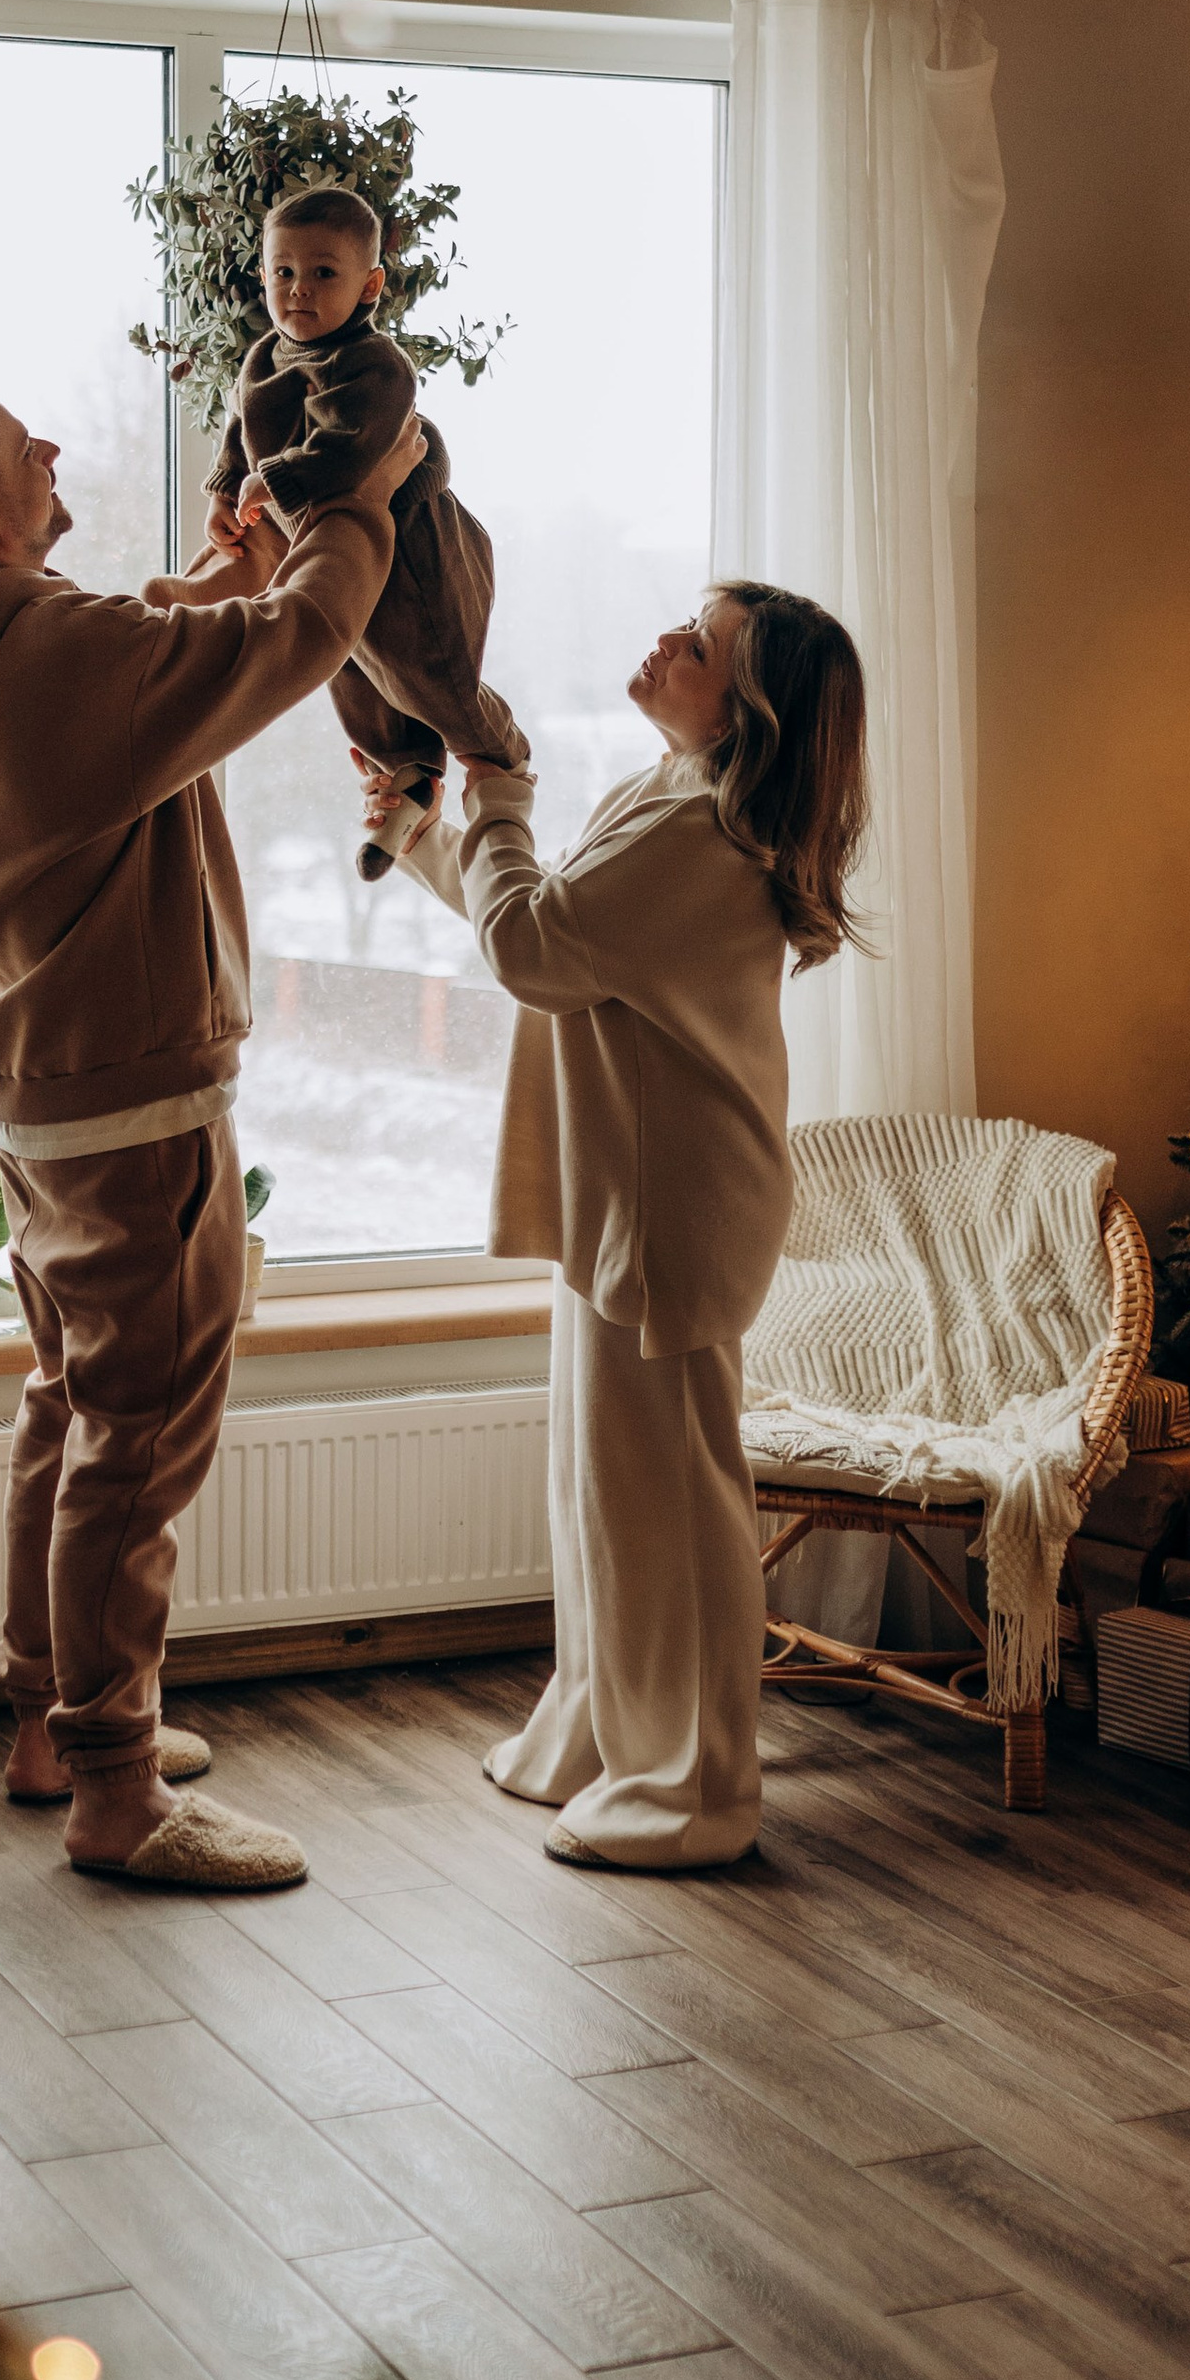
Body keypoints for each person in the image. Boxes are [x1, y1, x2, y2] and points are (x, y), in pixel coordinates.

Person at [0, 368, 421, 1890]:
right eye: (27, 449)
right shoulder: (46, 653)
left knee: (68, 1407)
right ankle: (115, 1790)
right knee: (135, 1448)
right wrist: (361, 498)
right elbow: (294, 642)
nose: (56, 449)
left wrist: (219, 573)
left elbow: (152, 645)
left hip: (53, 1095)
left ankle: (52, 1724)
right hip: (139, 1111)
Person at [382, 583, 870, 1869]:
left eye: (698, 644)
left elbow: (536, 945)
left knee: (669, 1499)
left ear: (749, 707)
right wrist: (442, 830)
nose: (665, 640)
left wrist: (492, 799)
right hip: (640, 1182)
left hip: (672, 1197)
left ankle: (696, 1787)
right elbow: (553, 928)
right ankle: (605, 1735)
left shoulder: (706, 828)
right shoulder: (671, 799)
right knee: (611, 1489)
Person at [149, 187, 526, 880]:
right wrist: (225, 494)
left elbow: (353, 443)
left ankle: (500, 753)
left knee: (427, 672)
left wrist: (284, 479)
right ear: (261, 275)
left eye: (325, 273)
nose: (299, 290)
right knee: (351, 668)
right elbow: (240, 435)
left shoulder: (374, 363)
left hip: (413, 546)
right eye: (283, 271)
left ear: (369, 285)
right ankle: (407, 779)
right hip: (330, 545)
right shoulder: (264, 358)